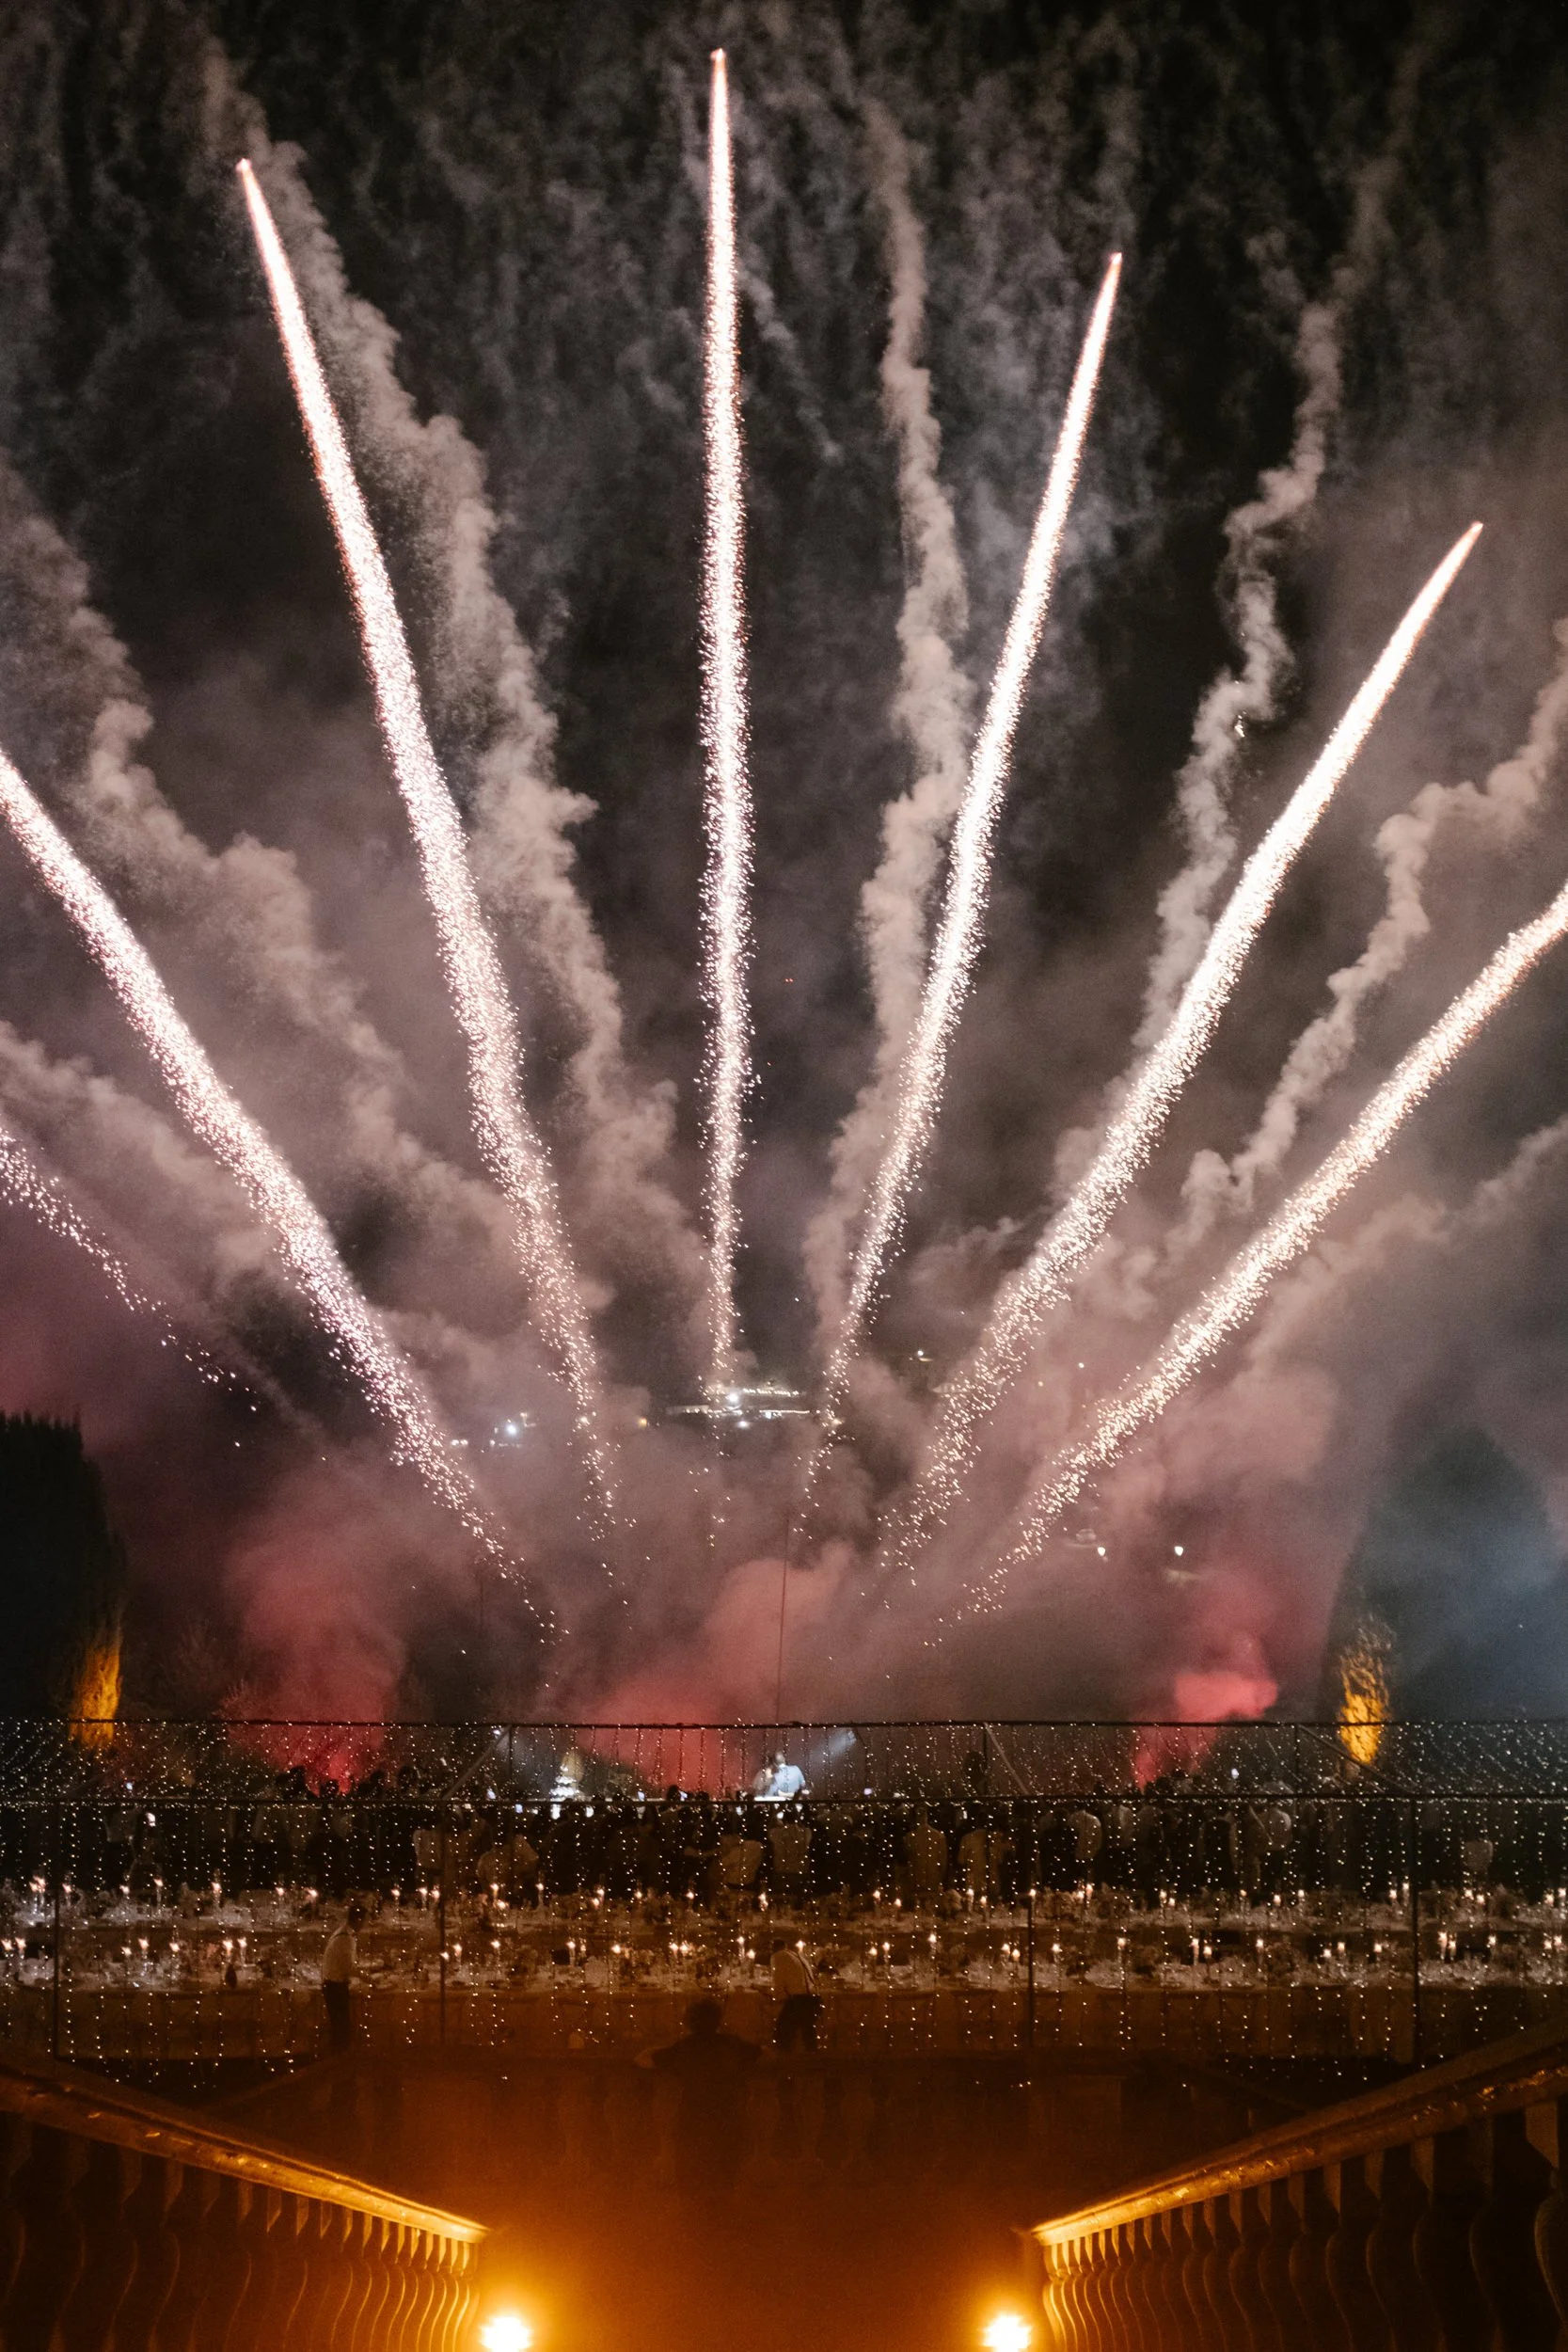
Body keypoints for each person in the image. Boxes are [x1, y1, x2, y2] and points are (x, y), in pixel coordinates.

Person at [649, 1997, 760, 2185]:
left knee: (691, 2177)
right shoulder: (731, 2045)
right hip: (726, 2116)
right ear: (718, 2020)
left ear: (688, 2022)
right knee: (725, 2178)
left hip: (692, 2117)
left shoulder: (684, 2047)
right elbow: (761, 2054)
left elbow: (647, 2059)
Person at [320, 1901, 364, 2053]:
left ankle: (338, 2055)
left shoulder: (343, 1932)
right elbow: (348, 1967)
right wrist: (368, 1977)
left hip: (331, 1983)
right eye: (363, 1921)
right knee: (342, 2026)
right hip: (335, 1986)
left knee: (339, 2025)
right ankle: (340, 2058)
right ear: (358, 1920)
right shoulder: (346, 1938)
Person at [772, 1939, 822, 2053]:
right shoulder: (798, 1956)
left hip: (798, 1998)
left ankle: (784, 2056)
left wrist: (777, 1995)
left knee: (782, 2029)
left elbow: (778, 1978)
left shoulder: (778, 1956)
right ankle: (812, 2054)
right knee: (807, 2029)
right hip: (811, 1997)